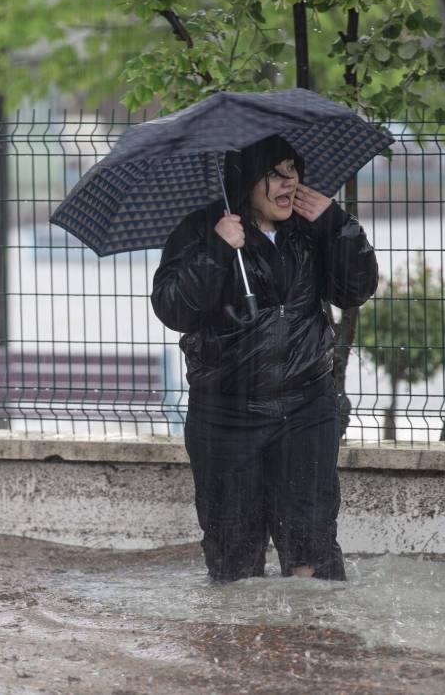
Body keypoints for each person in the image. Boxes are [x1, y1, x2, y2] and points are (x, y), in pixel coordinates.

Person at [151, 134, 379, 582]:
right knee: (233, 555)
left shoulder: (313, 229)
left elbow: (356, 290)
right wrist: (217, 250)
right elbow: (174, 310)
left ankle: (310, 641)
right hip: (225, 416)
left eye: (293, 169)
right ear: (245, 179)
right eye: (274, 173)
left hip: (305, 409)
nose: (289, 183)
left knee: (311, 541)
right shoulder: (201, 229)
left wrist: (338, 225)